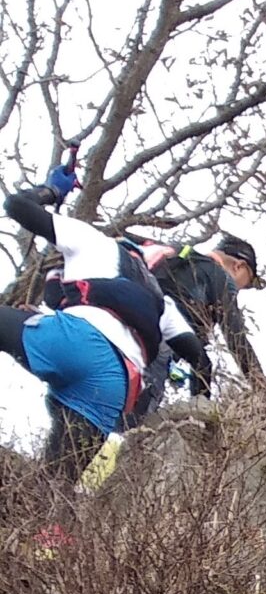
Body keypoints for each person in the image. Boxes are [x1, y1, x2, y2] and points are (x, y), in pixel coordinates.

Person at [0, 163, 180, 481]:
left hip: (77, 341)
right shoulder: (158, 299)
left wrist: (52, 191)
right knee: (51, 495)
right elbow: (192, 349)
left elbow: (16, 205)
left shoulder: (96, 240)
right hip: (116, 385)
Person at [142, 233, 266, 393]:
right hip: (161, 345)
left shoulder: (177, 257)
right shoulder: (220, 276)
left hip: (128, 325)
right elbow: (236, 338)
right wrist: (261, 385)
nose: (239, 290)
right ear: (239, 267)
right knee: (143, 399)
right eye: (245, 283)